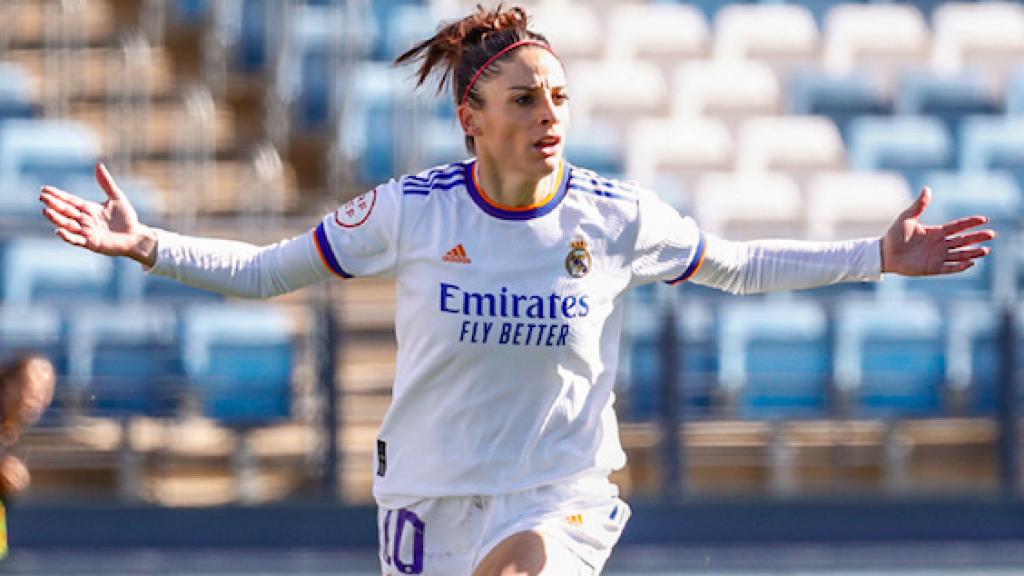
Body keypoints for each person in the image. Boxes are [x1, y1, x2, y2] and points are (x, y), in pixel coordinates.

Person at [39, 5, 994, 574]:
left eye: (560, 98)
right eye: (527, 98)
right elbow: (263, 273)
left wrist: (875, 255)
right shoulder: (411, 211)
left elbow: (736, 266)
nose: (550, 115)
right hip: (427, 494)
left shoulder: (616, 216)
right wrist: (148, 244)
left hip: (558, 492)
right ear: (473, 116)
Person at [0, 354, 57, 558]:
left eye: (46, 390)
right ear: (8, 385)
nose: (38, 396)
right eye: (31, 386)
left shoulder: (9, 434)